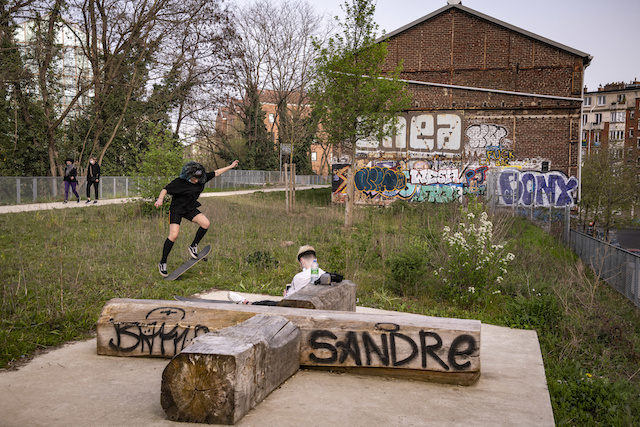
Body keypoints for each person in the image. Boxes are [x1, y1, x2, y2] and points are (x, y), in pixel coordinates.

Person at [155, 159, 239, 277]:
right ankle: (163, 262)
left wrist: (230, 166)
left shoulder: (201, 180)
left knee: (205, 223)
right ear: (188, 175)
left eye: (197, 178)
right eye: (193, 178)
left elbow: (217, 172)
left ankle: (193, 245)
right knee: (173, 235)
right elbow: (165, 190)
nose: (196, 180)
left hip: (189, 208)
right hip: (177, 210)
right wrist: (160, 199)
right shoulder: (180, 182)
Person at [227, 245, 326, 305]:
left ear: (302, 261)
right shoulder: (324, 274)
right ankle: (245, 301)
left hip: (298, 309)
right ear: (315, 260)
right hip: (316, 305)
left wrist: (285, 294)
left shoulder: (299, 277)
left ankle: (244, 302)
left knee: (266, 303)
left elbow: (287, 300)